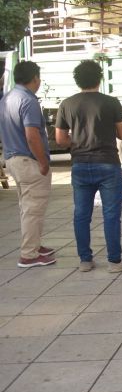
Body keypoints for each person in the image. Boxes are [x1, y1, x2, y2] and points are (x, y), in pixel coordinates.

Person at [55, 60, 122, 273]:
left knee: (81, 214)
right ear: (99, 78)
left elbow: (60, 140)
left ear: (77, 80)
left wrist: (77, 140)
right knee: (111, 215)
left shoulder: (67, 104)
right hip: (108, 164)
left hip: (80, 165)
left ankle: (85, 260)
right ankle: (115, 261)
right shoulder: (111, 102)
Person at [0, 61, 55, 268]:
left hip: (13, 159)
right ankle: (29, 255)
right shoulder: (28, 101)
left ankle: (33, 245)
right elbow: (32, 136)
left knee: (27, 207)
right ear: (35, 78)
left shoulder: (7, 98)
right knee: (33, 209)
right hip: (28, 160)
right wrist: (42, 162)